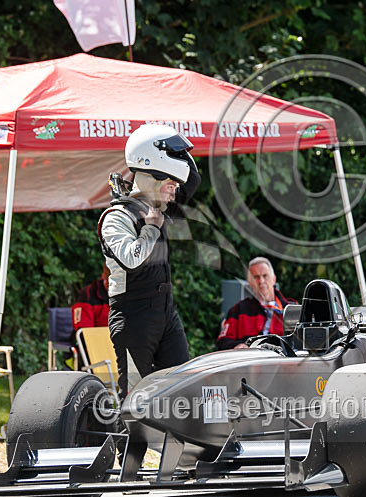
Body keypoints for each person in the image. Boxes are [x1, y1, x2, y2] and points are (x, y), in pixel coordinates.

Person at [98, 124, 201, 398]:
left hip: (165, 311)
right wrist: (151, 229)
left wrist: (174, 157)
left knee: (180, 389)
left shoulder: (158, 207)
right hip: (133, 313)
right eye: (170, 184)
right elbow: (132, 260)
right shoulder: (117, 216)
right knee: (136, 396)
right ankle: (127, 443)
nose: (174, 191)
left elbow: (193, 180)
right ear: (152, 176)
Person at [217, 257, 297, 350]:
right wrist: (239, 345)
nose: (261, 281)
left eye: (265, 276)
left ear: (274, 279)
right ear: (250, 283)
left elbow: (302, 342)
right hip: (251, 361)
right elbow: (223, 341)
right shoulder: (238, 310)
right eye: (256, 277)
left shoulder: (292, 309)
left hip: (283, 362)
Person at [72, 264, 111, 331]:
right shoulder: (87, 295)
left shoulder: (132, 293)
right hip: (95, 340)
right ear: (104, 276)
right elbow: (85, 333)